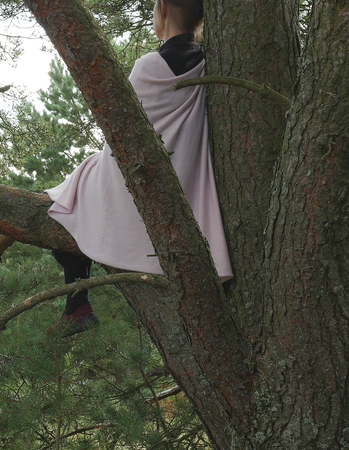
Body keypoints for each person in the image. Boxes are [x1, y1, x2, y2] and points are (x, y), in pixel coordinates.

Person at [46, 0, 233, 336]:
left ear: (163, 8)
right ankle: (77, 305)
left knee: (70, 197)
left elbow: (121, 137)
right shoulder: (210, 63)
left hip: (145, 182)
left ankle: (77, 303)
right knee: (79, 182)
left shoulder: (150, 66)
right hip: (186, 178)